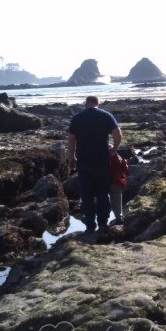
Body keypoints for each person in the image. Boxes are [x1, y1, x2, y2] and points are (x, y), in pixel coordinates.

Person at [68, 96, 122, 233]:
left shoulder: (77, 118)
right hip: (102, 161)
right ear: (99, 104)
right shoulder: (106, 116)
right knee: (103, 194)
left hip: (84, 162)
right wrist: (114, 149)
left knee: (86, 195)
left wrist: (71, 158)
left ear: (86, 104)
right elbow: (118, 134)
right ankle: (103, 223)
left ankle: (90, 225)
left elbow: (71, 140)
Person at [110, 150, 129, 224]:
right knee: (116, 200)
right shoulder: (115, 155)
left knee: (113, 201)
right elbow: (125, 168)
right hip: (117, 180)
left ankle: (118, 218)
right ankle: (119, 217)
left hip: (112, 180)